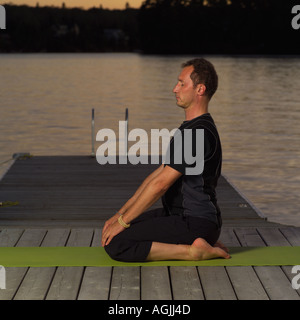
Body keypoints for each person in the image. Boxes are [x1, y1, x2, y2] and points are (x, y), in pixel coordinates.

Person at [101, 58, 230, 262]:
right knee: (119, 232)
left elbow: (161, 185)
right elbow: (156, 177)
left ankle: (194, 251)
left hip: (195, 221)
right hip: (179, 216)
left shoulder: (198, 133)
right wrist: (120, 215)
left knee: (118, 244)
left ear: (200, 89)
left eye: (181, 83)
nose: (174, 89)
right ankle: (201, 242)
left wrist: (123, 223)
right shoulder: (189, 129)